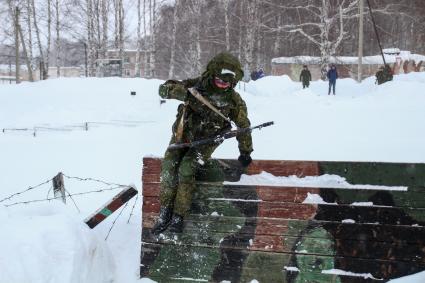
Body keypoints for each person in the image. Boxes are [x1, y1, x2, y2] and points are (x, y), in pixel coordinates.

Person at [152, 52, 253, 235]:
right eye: (219, 81)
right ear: (212, 74)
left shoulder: (233, 101)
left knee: (186, 169)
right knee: (168, 168)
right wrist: (179, 92)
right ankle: (165, 211)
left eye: (227, 83)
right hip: (182, 136)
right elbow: (163, 89)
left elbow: (243, 125)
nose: (223, 85)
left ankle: (178, 216)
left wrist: (245, 151)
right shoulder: (196, 85)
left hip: (206, 143)